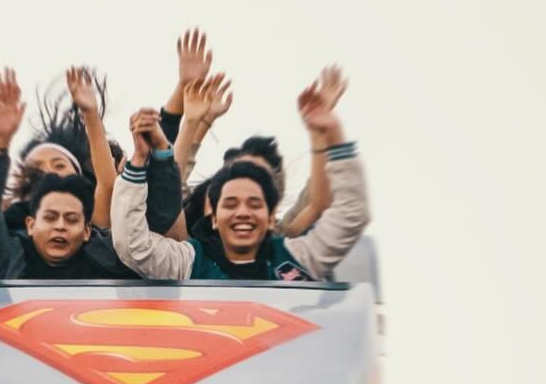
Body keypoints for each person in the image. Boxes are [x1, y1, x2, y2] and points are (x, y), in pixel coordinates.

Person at [111, 73, 369, 282]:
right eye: (230, 204)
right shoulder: (189, 262)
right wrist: (139, 159)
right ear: (213, 218)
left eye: (254, 204)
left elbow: (351, 216)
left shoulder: (295, 258)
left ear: (271, 218)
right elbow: (133, 246)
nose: (243, 213)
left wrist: (332, 132)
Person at [0, 69, 136, 279]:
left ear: (87, 230)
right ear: (31, 223)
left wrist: (90, 114)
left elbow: (106, 185)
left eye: (59, 165)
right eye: (50, 217)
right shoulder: (8, 248)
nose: (48, 172)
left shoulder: (99, 243)